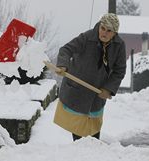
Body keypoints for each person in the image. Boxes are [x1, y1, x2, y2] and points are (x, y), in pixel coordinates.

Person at [53, 13, 126, 141]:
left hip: (97, 93)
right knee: (78, 131)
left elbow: (119, 70)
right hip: (78, 90)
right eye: (102, 28)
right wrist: (63, 65)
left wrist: (108, 89)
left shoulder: (119, 46)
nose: (104, 33)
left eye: (109, 31)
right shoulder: (86, 37)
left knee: (94, 131)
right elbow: (66, 50)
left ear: (114, 33)